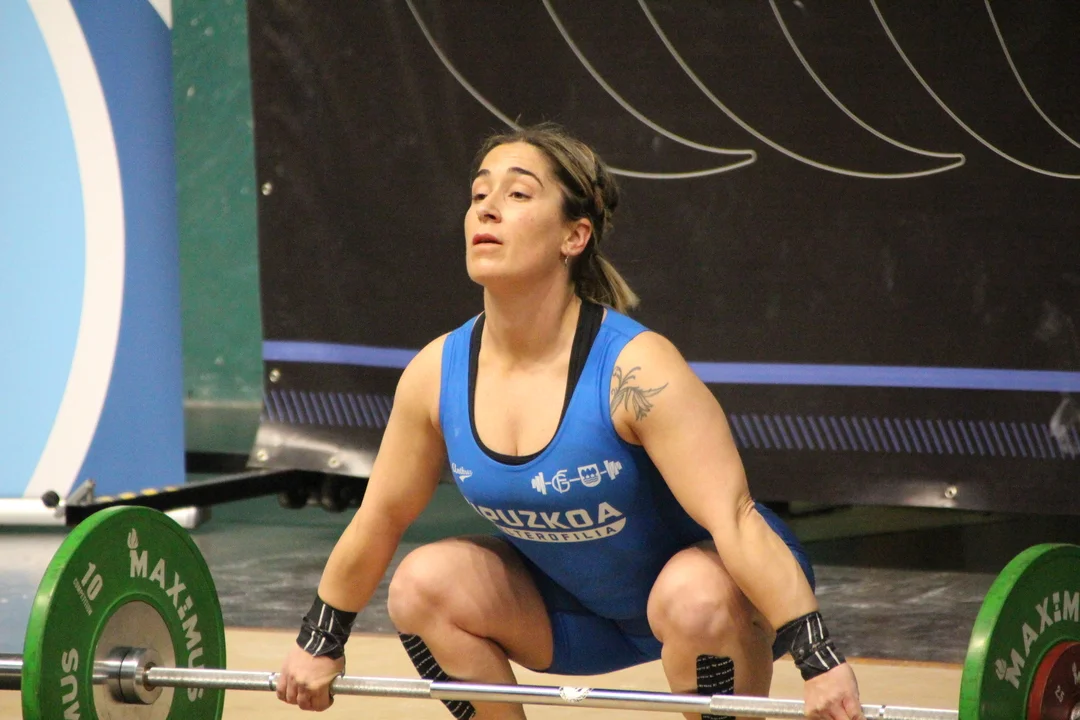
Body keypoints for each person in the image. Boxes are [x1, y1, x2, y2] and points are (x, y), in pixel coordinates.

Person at [276, 122, 865, 720]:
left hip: (719, 598)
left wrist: (817, 655)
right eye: (479, 194)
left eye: (517, 194)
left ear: (574, 235)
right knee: (421, 585)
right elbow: (380, 517)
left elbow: (734, 520)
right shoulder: (436, 374)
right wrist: (320, 639)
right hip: (573, 615)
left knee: (694, 595)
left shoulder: (634, 370)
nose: (487, 209)